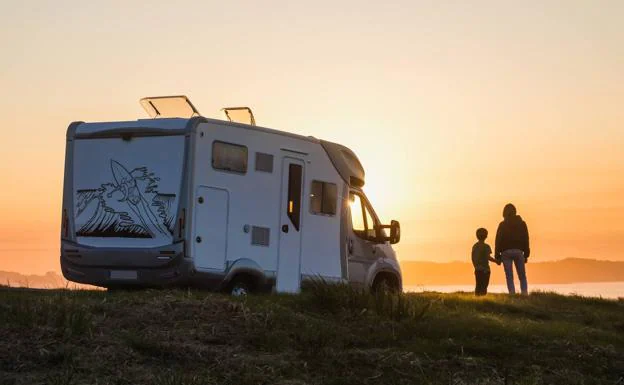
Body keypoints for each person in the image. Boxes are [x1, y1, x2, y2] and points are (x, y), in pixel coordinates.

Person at [495, 203, 530, 295]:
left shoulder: (502, 225)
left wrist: (497, 255)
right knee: (522, 276)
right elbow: (526, 238)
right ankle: (524, 294)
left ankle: (512, 294)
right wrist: (526, 254)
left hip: (505, 252)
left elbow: (498, 240)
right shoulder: (522, 223)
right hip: (519, 251)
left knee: (509, 276)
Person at [472, 228, 498, 296]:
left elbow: (472, 257)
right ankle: (483, 298)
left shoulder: (475, 246)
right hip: (485, 270)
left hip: (477, 269)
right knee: (484, 286)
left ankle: (477, 299)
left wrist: (475, 265)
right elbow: (488, 257)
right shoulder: (486, 246)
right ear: (486, 236)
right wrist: (496, 261)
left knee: (478, 285)